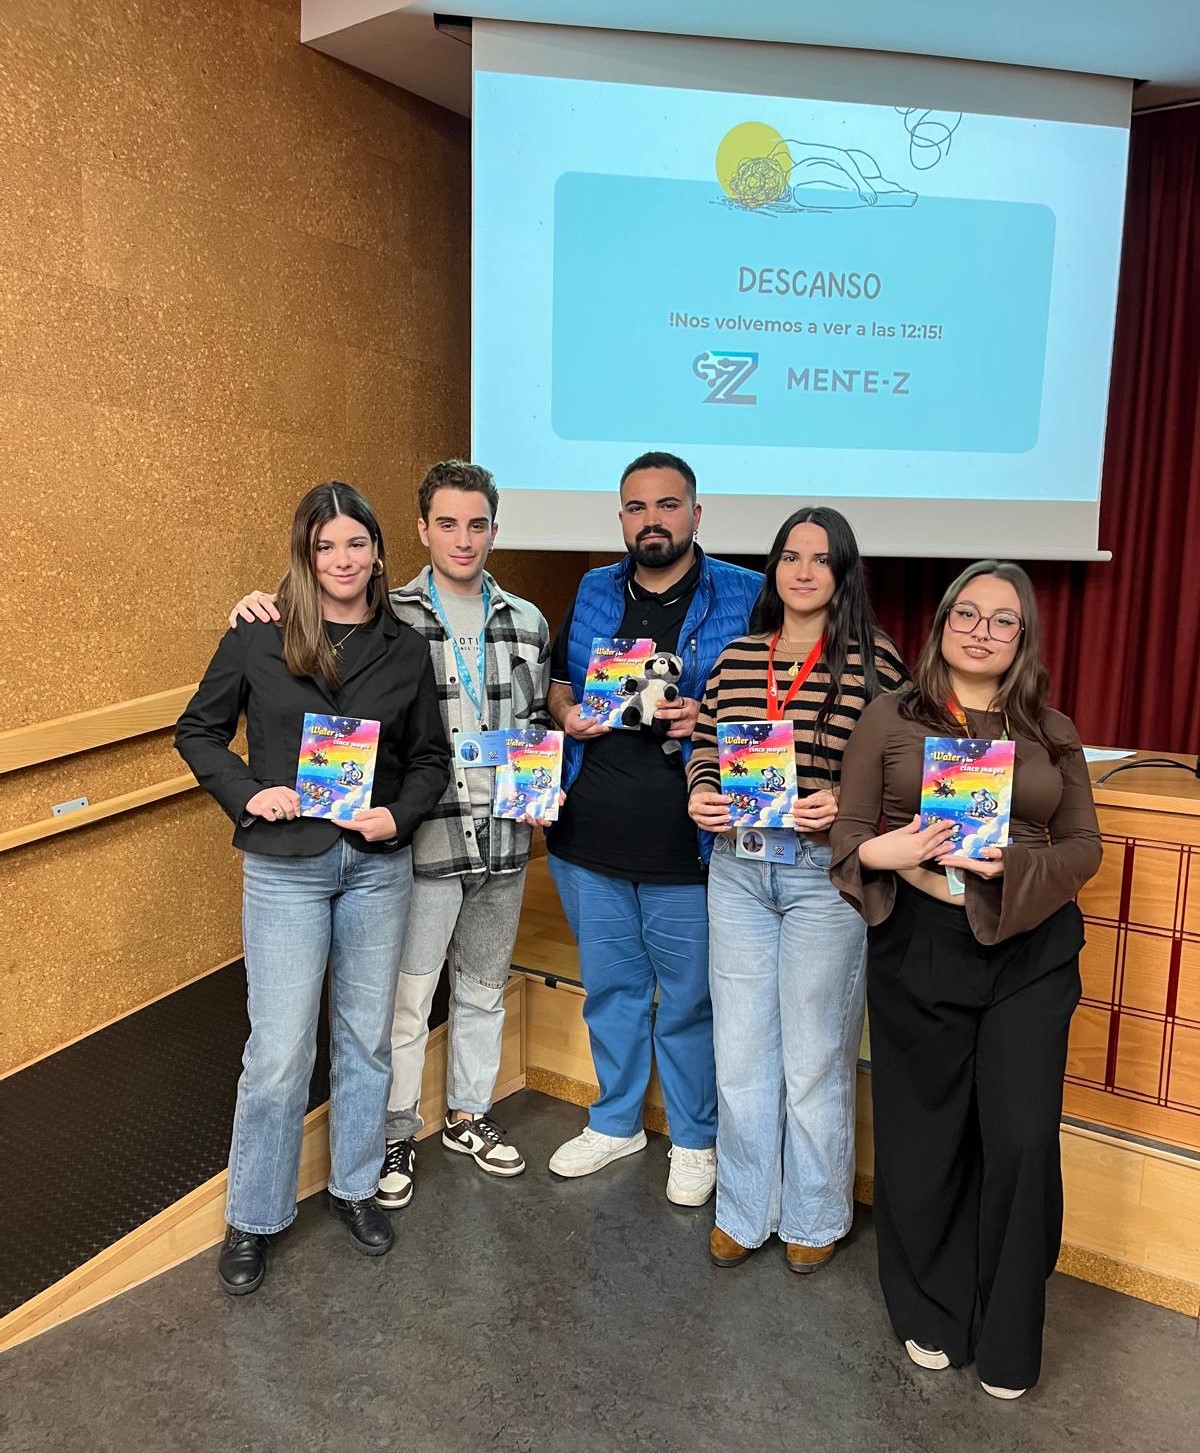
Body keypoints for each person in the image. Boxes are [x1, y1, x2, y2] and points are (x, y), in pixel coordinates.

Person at [228, 461, 550, 1206]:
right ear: (417, 532)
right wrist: (256, 604)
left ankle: (468, 1114)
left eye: (477, 524)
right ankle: (394, 1132)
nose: (463, 538)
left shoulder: (528, 621)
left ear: (495, 530)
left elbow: (534, 724)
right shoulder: (392, 617)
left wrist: (543, 780)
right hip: (419, 841)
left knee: (481, 987)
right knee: (401, 1003)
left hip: (502, 838)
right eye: (447, 523)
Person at [829, 561, 1102, 1399]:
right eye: (968, 613)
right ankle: (930, 1311)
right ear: (944, 621)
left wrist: (1014, 864)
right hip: (921, 948)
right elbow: (848, 827)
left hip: (1030, 949)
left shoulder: (1051, 728)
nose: (982, 630)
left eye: (1003, 620)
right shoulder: (890, 716)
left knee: (1021, 1137)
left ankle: (1012, 1336)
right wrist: (892, 853)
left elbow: (1084, 845)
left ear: (1022, 639)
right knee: (925, 1135)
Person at [176, 482, 449, 1296]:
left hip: (375, 866)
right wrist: (244, 789)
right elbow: (197, 729)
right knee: (280, 1049)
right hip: (286, 864)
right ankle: (254, 1217)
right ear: (306, 553)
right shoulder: (259, 635)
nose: (342, 560)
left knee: (365, 1038)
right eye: (326, 546)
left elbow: (430, 759)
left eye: (356, 545)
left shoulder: (403, 646)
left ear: (377, 551)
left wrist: (394, 817)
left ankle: (356, 1186)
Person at [686, 507, 908, 1272]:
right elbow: (705, 745)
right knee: (741, 1052)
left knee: (815, 1054)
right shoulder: (737, 658)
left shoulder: (875, 663)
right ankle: (746, 1209)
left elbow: (906, 772)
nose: (803, 571)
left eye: (820, 558)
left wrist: (850, 813)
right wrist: (701, 791)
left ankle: (816, 1210)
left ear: (843, 572)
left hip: (824, 875)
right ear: (774, 568)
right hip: (739, 870)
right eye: (790, 556)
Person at [545, 451, 762, 1204]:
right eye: (637, 508)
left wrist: (709, 718)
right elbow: (561, 681)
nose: (653, 520)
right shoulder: (594, 588)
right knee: (611, 990)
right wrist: (566, 714)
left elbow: (781, 709)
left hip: (692, 844)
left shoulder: (747, 593)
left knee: (691, 1000)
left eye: (668, 505)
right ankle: (616, 1122)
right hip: (590, 837)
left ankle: (696, 1138)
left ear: (696, 514)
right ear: (622, 519)